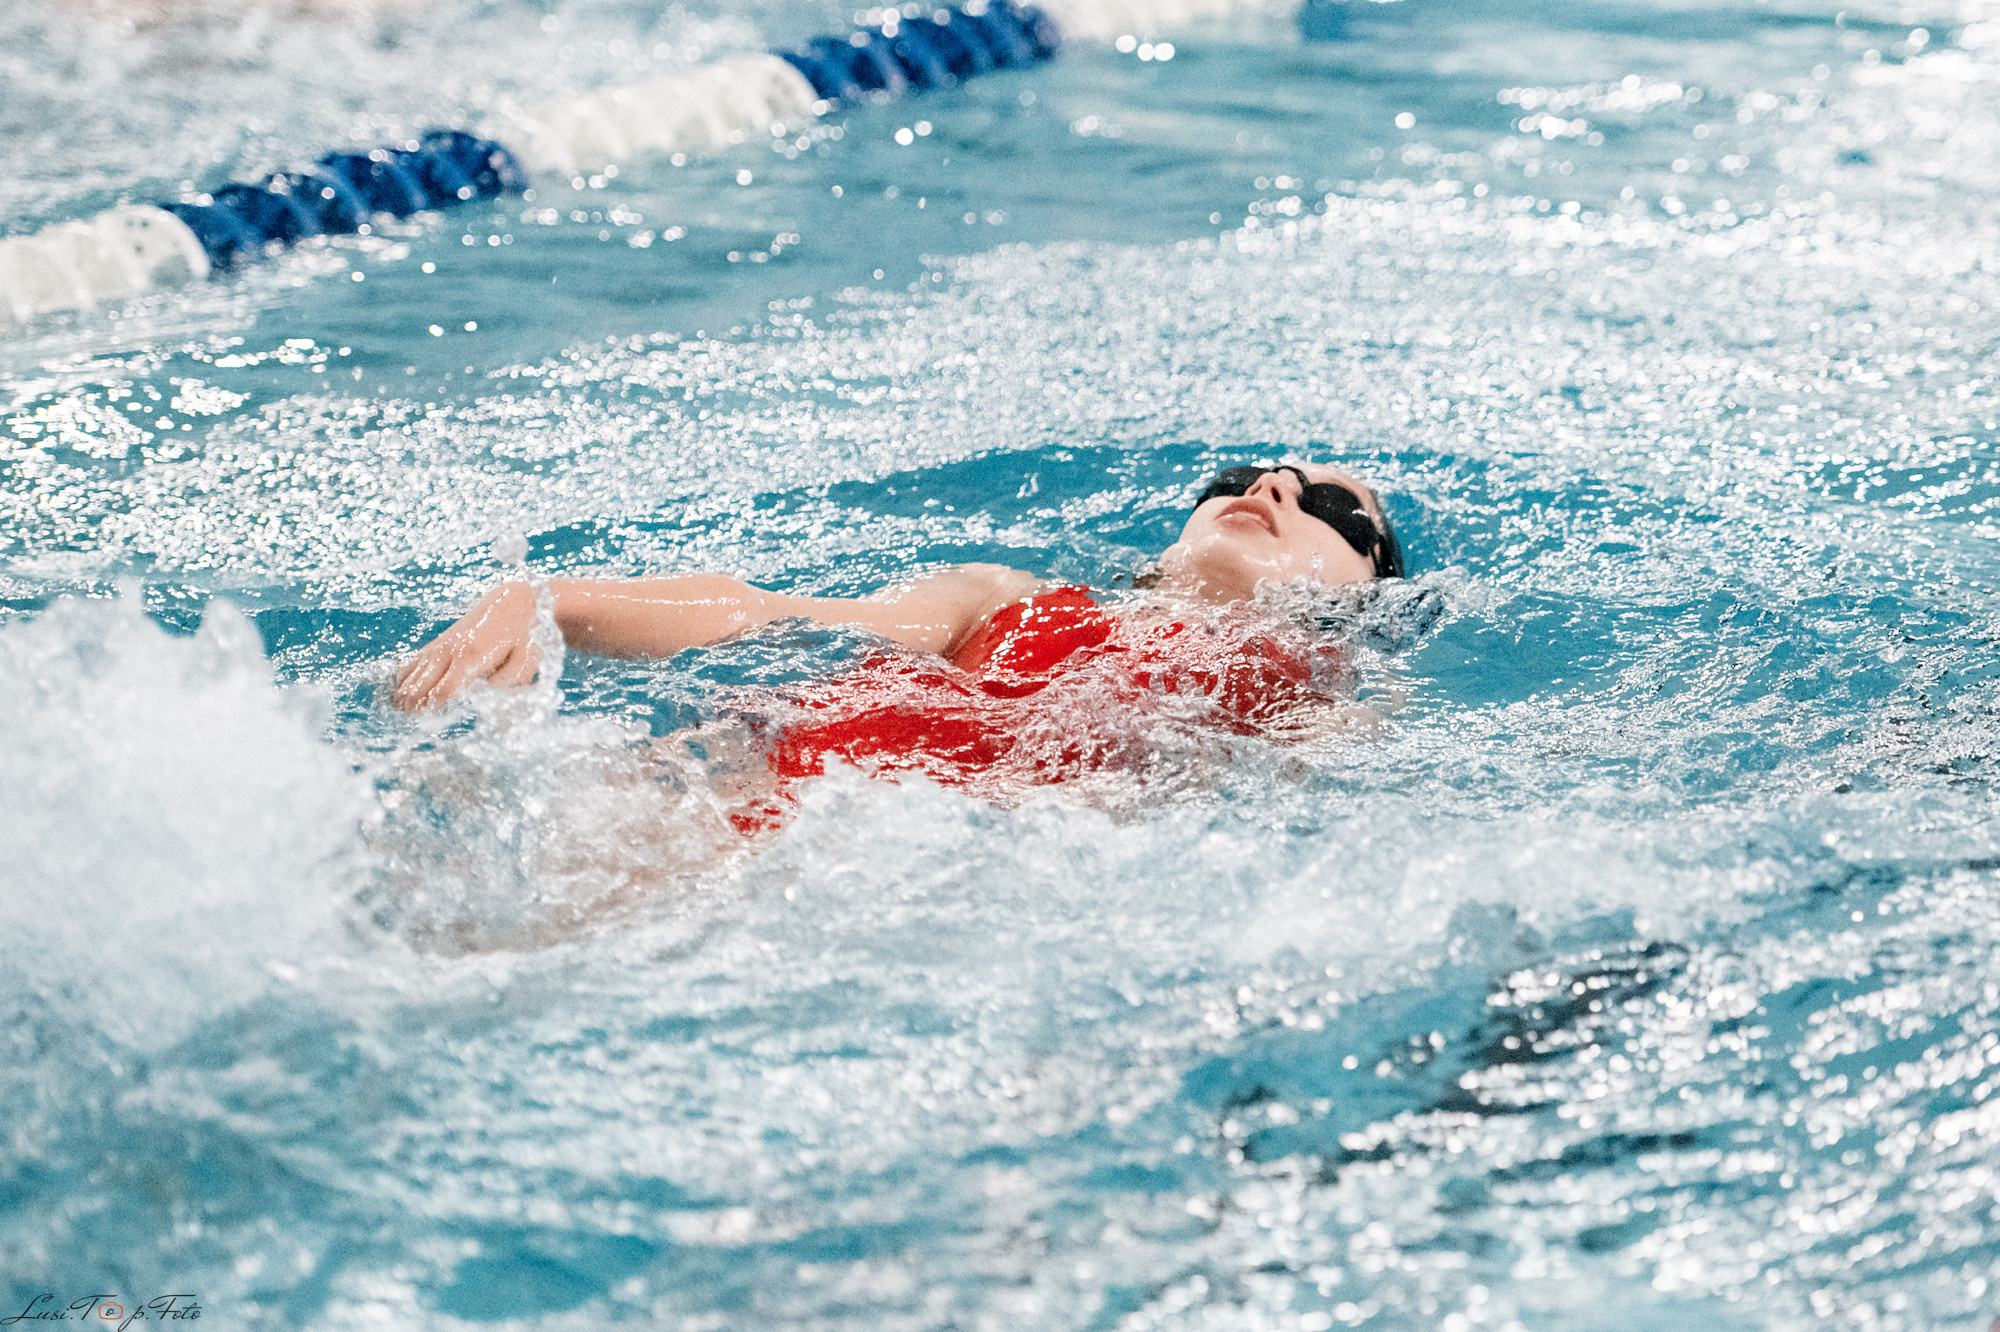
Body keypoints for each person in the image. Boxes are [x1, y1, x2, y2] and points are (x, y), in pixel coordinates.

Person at [392, 462, 1404, 820]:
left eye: (1329, 508)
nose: (1266, 490)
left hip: (929, 882)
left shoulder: (1333, 699)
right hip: (747, 792)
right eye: (1237, 475)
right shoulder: (1003, 594)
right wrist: (544, 601)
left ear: (1369, 591)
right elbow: (758, 611)